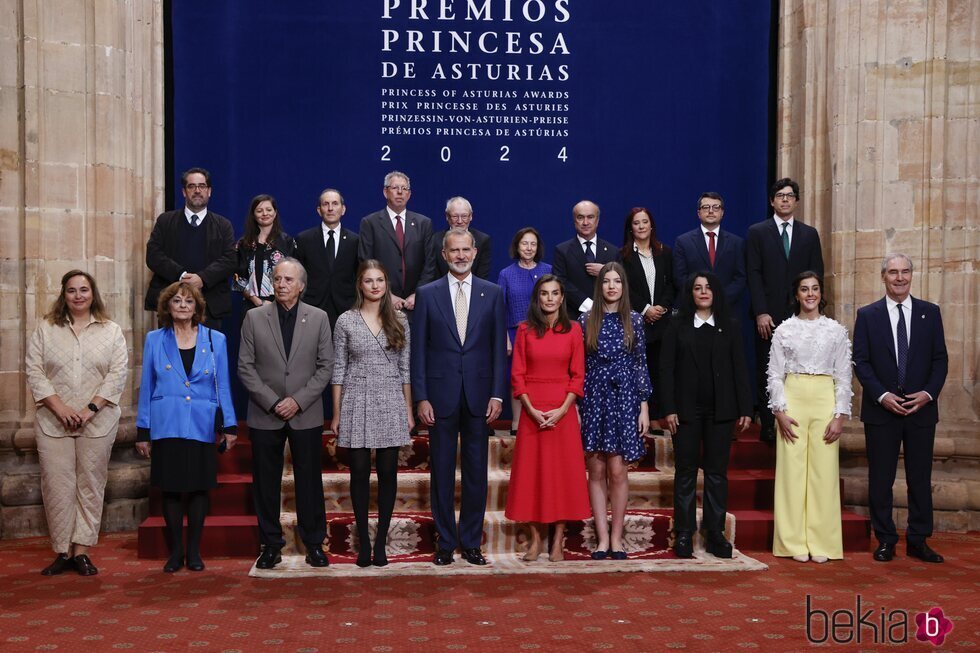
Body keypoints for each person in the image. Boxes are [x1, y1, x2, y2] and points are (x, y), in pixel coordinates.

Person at [411, 228, 508, 566]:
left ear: (475, 252)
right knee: (440, 470)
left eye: (466, 249)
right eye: (455, 251)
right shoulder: (427, 294)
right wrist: (421, 397)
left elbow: (498, 350)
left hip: (481, 397)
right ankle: (444, 541)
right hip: (439, 398)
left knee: (476, 471)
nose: (461, 255)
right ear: (444, 254)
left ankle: (470, 541)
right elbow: (418, 352)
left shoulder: (493, 293)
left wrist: (498, 394)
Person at [25, 270, 128, 576]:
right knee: (57, 486)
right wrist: (60, 408)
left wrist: (89, 409)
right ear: (64, 295)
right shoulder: (46, 328)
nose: (78, 295)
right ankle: (62, 551)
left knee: (90, 486)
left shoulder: (111, 330)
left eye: (84, 290)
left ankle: (81, 551)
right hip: (53, 422)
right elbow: (34, 371)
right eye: (72, 290)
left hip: (97, 422)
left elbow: (117, 374)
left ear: (93, 294)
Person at [238, 258, 334, 570]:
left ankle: (314, 543)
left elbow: (325, 367)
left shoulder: (318, 318)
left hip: (305, 413)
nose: (281, 284)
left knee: (309, 480)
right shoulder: (254, 317)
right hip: (266, 414)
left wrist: (298, 400)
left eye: (288, 280)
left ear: (301, 285)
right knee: (266, 482)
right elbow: (245, 367)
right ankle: (270, 544)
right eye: (277, 279)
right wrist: (273, 401)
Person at [135, 281, 237, 573]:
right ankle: (175, 552)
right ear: (167, 306)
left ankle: (194, 551)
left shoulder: (215, 339)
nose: (182, 305)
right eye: (177, 300)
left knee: (198, 490)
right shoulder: (155, 339)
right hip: (166, 423)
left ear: (197, 308)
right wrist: (144, 430)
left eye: (188, 301)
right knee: (170, 490)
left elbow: (223, 385)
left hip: (201, 424)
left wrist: (229, 425)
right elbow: (147, 387)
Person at [853, 253, 948, 564]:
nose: (899, 277)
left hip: (921, 410)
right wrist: (881, 395)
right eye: (893, 272)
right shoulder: (868, 315)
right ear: (884, 277)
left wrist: (928, 394)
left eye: (905, 271)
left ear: (912, 275)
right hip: (882, 411)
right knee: (881, 479)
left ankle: (919, 540)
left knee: (919, 478)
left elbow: (940, 360)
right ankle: (886, 539)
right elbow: (862, 362)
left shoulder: (930, 313)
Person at [661, 272, 752, 559]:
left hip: (721, 412)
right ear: (690, 293)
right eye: (697, 288)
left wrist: (745, 408)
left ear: (716, 293)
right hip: (685, 412)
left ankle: (715, 533)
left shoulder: (730, 326)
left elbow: (740, 368)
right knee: (685, 472)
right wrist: (669, 408)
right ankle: (685, 532)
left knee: (716, 474)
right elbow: (666, 370)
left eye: (708, 287)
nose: (703, 292)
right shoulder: (676, 325)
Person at [330, 260, 414, 568]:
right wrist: (336, 414)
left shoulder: (400, 320)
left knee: (388, 473)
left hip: (391, 396)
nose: (375, 285)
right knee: (360, 473)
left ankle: (382, 544)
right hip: (356, 397)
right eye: (369, 280)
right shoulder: (345, 321)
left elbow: (406, 368)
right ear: (360, 285)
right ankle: (364, 542)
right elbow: (338, 369)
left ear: (386, 284)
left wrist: (408, 409)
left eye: (380, 280)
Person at [504, 275, 590, 562]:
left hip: (561, 412)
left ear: (562, 297)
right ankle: (536, 539)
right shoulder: (526, 330)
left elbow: (578, 376)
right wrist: (530, 409)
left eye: (555, 293)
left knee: (562, 477)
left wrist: (563, 410)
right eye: (544, 293)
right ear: (537, 298)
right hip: (533, 413)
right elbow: (517, 374)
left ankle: (558, 540)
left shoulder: (575, 330)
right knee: (531, 477)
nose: (550, 298)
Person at [767, 272, 852, 563]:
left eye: (815, 289)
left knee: (823, 474)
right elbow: (775, 375)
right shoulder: (784, 330)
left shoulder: (836, 331)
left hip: (824, 398)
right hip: (794, 397)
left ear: (821, 293)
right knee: (791, 473)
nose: (810, 294)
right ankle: (792, 542)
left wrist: (840, 415)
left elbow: (843, 377)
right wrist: (779, 411)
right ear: (797, 295)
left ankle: (823, 542)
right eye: (804, 289)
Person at [578, 262, 651, 560]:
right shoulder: (584, 321)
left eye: (616, 281)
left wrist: (643, 406)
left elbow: (640, 363)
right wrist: (579, 407)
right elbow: (579, 367)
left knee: (618, 471)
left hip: (625, 399)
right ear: (600, 286)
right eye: (606, 281)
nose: (611, 286)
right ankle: (602, 538)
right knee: (595, 469)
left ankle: (618, 537)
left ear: (623, 286)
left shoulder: (635, 320)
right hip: (594, 397)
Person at [747, 178, 824, 442]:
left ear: (796, 201)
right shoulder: (758, 232)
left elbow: (817, 274)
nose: (785, 200)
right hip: (768, 317)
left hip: (801, 315)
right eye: (780, 195)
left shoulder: (809, 234)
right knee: (769, 370)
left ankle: (799, 417)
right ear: (772, 201)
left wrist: (811, 312)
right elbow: (753, 274)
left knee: (798, 368)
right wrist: (760, 311)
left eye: (790, 196)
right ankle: (769, 424)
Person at [144, 167, 237, 329]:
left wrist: (202, 278)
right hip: (171, 305)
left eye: (202, 186)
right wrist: (181, 275)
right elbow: (153, 255)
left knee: (208, 353)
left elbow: (230, 259)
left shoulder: (223, 225)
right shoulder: (165, 221)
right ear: (183, 192)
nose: (197, 191)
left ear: (209, 191)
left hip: (210, 307)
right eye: (192, 186)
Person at [620, 207, 674, 423]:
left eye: (645, 222)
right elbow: (625, 287)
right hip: (636, 322)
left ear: (651, 226)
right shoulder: (623, 255)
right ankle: (637, 417)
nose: (641, 226)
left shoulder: (665, 252)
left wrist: (661, 307)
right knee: (638, 371)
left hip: (662, 321)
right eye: (636, 223)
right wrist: (645, 309)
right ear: (630, 228)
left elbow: (672, 284)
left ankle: (657, 417)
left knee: (660, 370)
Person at [497, 227, 552, 434]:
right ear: (517, 246)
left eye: (533, 244)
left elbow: (554, 302)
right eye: (524, 243)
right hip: (514, 333)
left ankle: (540, 418)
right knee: (516, 379)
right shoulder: (506, 274)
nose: (529, 248)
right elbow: (499, 309)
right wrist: (505, 338)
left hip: (543, 332)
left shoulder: (547, 270)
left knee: (539, 377)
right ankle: (517, 423)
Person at [358, 170, 434, 311]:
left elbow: (430, 264)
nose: (400, 192)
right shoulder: (370, 223)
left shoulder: (424, 223)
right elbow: (365, 262)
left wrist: (418, 293)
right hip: (381, 304)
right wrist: (387, 295)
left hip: (415, 303)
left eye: (404, 188)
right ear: (385, 192)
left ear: (409, 194)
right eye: (395, 188)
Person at [295, 188, 360, 329]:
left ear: (343, 209)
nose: (330, 208)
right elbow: (297, 276)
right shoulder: (304, 239)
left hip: (345, 308)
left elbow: (359, 275)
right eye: (326, 204)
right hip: (311, 307)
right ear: (319, 210)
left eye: (335, 204)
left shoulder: (355, 241)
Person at [672, 192, 746, 310]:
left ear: (722, 213)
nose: (711, 211)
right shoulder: (683, 242)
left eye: (716, 207)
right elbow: (680, 277)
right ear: (698, 213)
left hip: (726, 310)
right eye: (706, 207)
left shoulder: (736, 243)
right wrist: (699, 298)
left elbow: (740, 278)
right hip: (693, 310)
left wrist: (719, 299)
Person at [553, 200, 620, 319]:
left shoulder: (612, 251)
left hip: (609, 316)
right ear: (574, 221)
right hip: (574, 318)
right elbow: (560, 282)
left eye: (590, 217)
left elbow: (623, 281)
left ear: (597, 221)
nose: (585, 222)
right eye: (580, 217)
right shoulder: (562, 250)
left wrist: (606, 271)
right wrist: (588, 305)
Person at [234, 194, 296, 311]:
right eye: (259, 211)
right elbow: (238, 279)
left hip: (282, 305)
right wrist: (258, 302)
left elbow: (294, 276)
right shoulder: (244, 243)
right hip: (251, 306)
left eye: (269, 210)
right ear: (253, 214)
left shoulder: (287, 241)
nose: (265, 214)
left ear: (275, 212)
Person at [426, 196, 492, 280]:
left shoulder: (483, 240)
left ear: (471, 216)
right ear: (447, 216)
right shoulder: (434, 240)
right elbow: (431, 274)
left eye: (464, 216)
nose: (460, 221)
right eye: (455, 216)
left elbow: (482, 276)